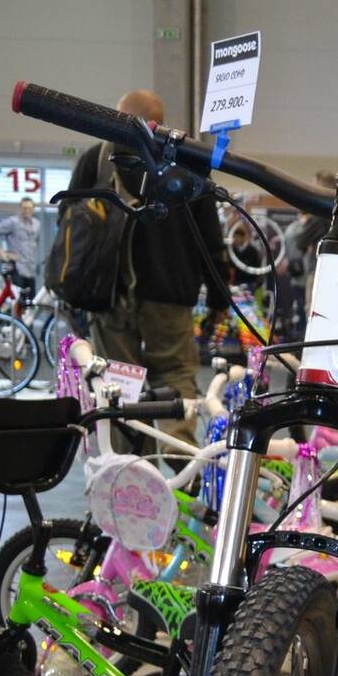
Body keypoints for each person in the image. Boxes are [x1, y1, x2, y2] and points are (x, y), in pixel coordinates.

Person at [66, 88, 230, 436]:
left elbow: (69, 224)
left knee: (120, 383)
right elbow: (210, 242)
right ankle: (180, 456)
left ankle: (130, 463)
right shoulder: (189, 161)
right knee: (175, 376)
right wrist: (219, 300)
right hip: (170, 296)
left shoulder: (96, 159)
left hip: (109, 296)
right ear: (160, 121)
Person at [0, 197, 44, 295]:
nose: (27, 210)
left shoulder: (37, 224)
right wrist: (3, 254)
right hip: (17, 268)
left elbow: (36, 240)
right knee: (17, 298)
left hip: (30, 268)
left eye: (29, 208)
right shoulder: (13, 222)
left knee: (31, 299)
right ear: (20, 209)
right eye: (24, 208)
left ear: (33, 209)